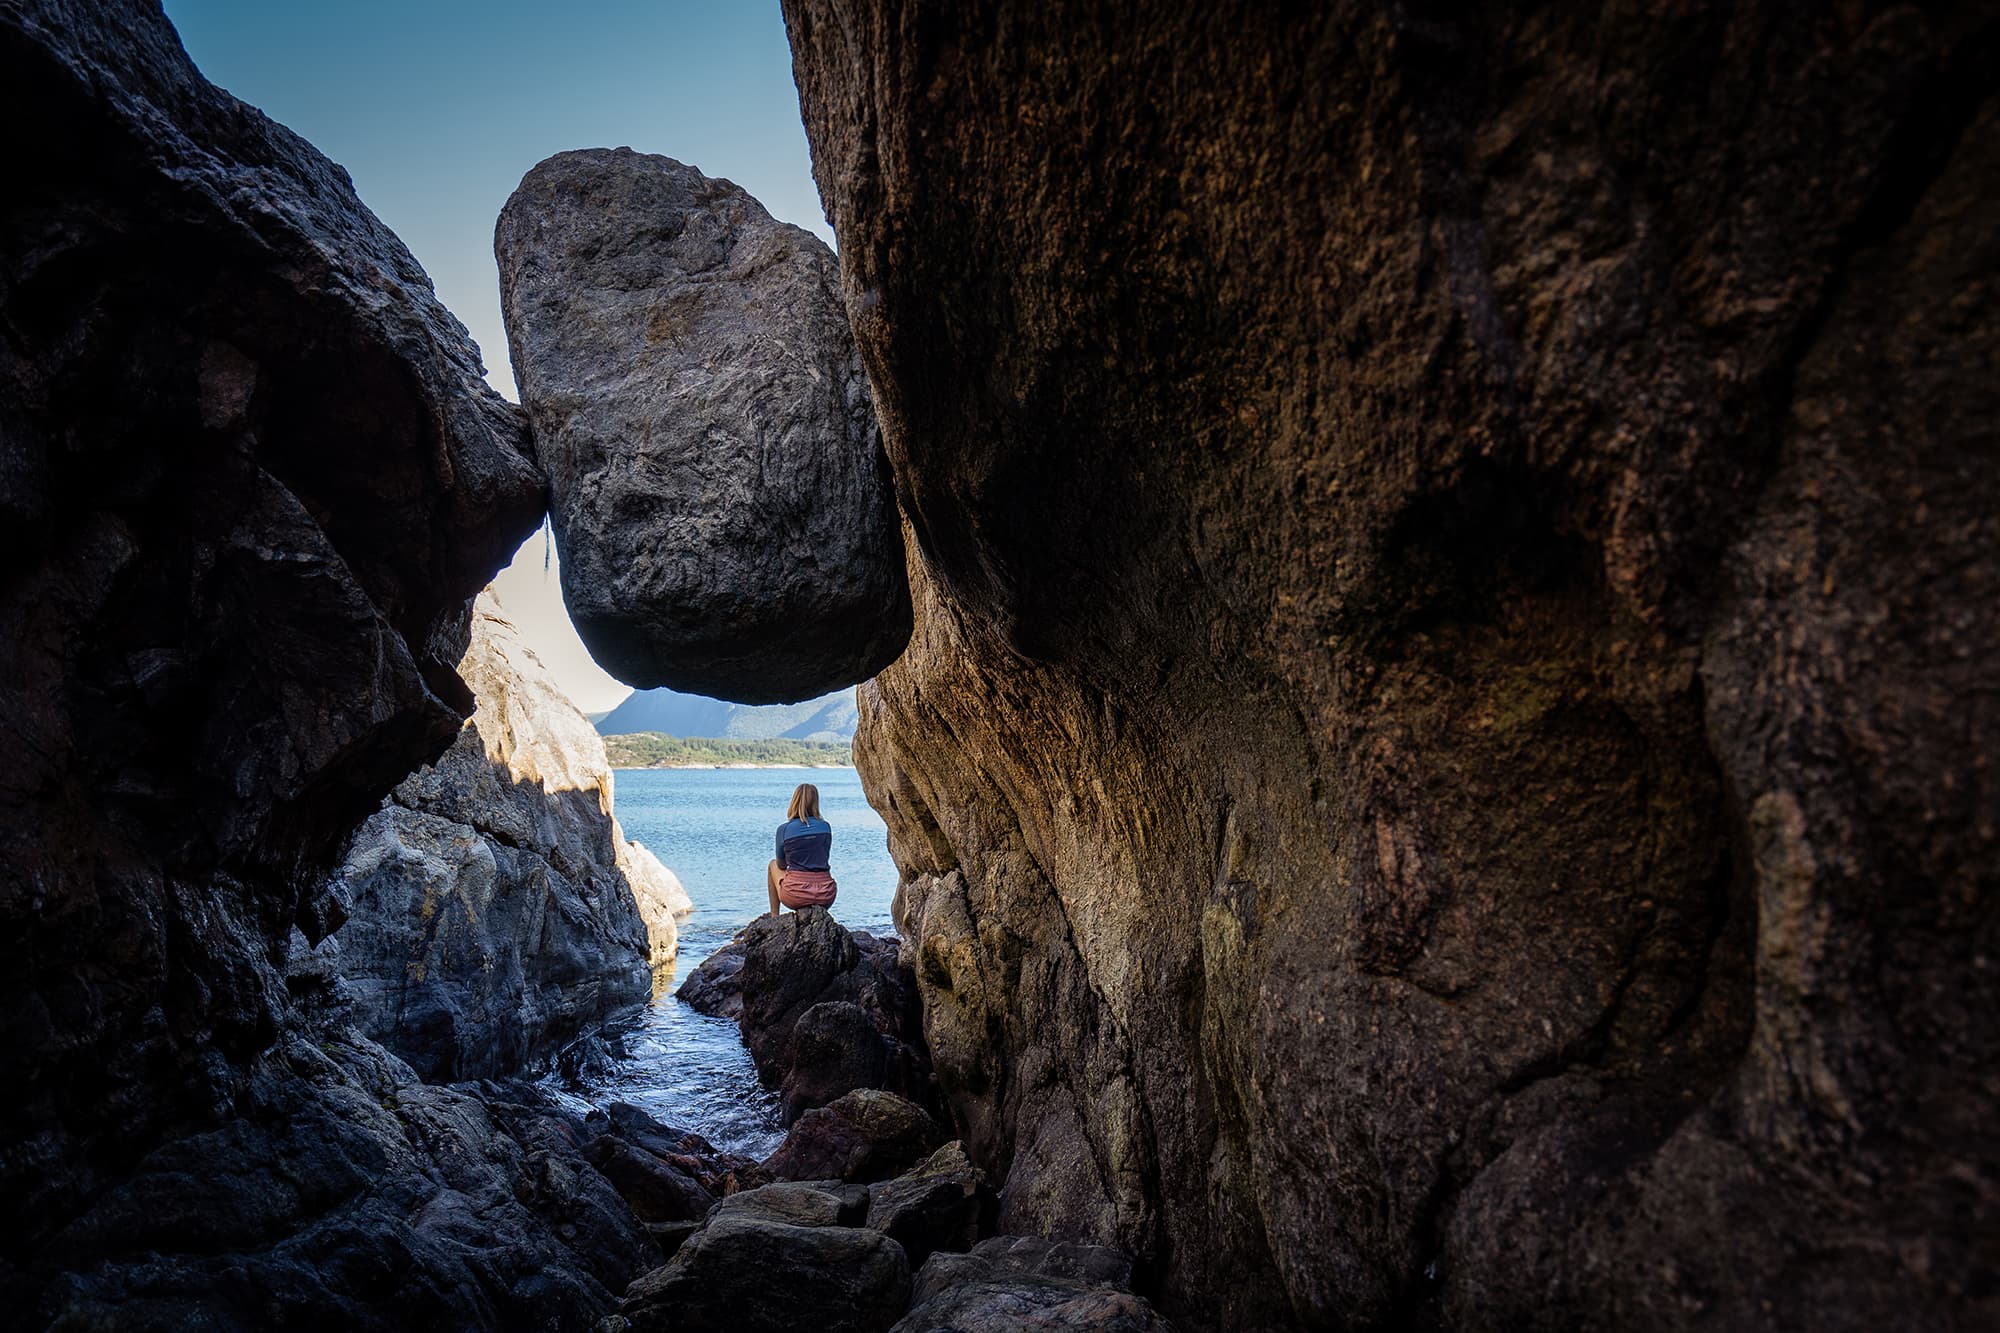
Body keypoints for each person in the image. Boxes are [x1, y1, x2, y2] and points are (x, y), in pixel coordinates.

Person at [768, 782, 837, 916]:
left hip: (796, 895)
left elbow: (781, 865)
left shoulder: (784, 829)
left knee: (772, 865)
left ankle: (774, 916)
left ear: (794, 801)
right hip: (826, 894)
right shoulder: (825, 827)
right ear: (816, 802)